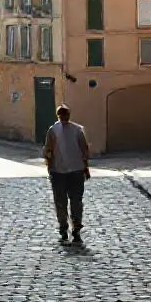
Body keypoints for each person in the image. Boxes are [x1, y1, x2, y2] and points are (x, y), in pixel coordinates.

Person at [43, 103, 90, 244]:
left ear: (69, 115)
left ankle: (76, 227)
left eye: (66, 114)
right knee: (61, 202)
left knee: (76, 201)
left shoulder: (77, 130)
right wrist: (50, 166)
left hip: (76, 170)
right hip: (58, 171)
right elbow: (48, 150)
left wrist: (86, 167)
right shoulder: (53, 130)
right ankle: (63, 227)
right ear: (58, 115)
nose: (64, 117)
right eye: (62, 114)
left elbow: (84, 150)